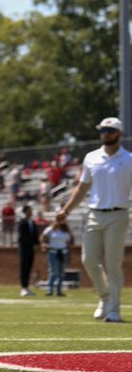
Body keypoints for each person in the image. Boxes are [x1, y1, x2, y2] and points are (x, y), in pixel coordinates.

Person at [57, 116, 132, 322]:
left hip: (118, 214)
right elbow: (82, 188)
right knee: (88, 260)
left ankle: (114, 309)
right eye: (102, 131)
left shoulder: (129, 160)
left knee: (113, 265)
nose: (104, 134)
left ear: (118, 134)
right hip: (94, 214)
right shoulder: (91, 157)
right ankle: (104, 297)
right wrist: (67, 210)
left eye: (109, 131)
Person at [41, 214, 73, 297]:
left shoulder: (66, 231)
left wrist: (69, 252)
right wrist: (44, 244)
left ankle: (58, 290)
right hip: (53, 252)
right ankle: (50, 290)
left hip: (63, 252)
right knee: (53, 271)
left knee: (61, 272)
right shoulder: (50, 229)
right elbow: (43, 237)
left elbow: (69, 242)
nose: (59, 222)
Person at [17, 204, 39, 297]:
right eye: (29, 211)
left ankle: (27, 287)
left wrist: (37, 244)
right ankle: (23, 287)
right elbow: (23, 237)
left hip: (31, 249)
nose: (31, 213)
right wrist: (32, 243)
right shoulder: (22, 222)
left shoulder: (32, 222)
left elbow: (35, 235)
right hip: (24, 248)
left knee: (29, 267)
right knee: (24, 268)